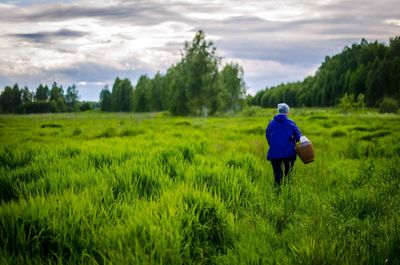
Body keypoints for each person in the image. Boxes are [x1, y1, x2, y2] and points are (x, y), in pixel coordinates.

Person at [265, 103, 302, 188]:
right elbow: (298, 136)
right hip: (289, 153)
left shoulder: (271, 123)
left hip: (274, 153)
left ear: (278, 111)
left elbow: (268, 136)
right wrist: (294, 142)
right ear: (287, 112)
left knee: (277, 176)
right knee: (289, 174)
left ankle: (277, 193)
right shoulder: (290, 122)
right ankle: (288, 191)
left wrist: (274, 145)